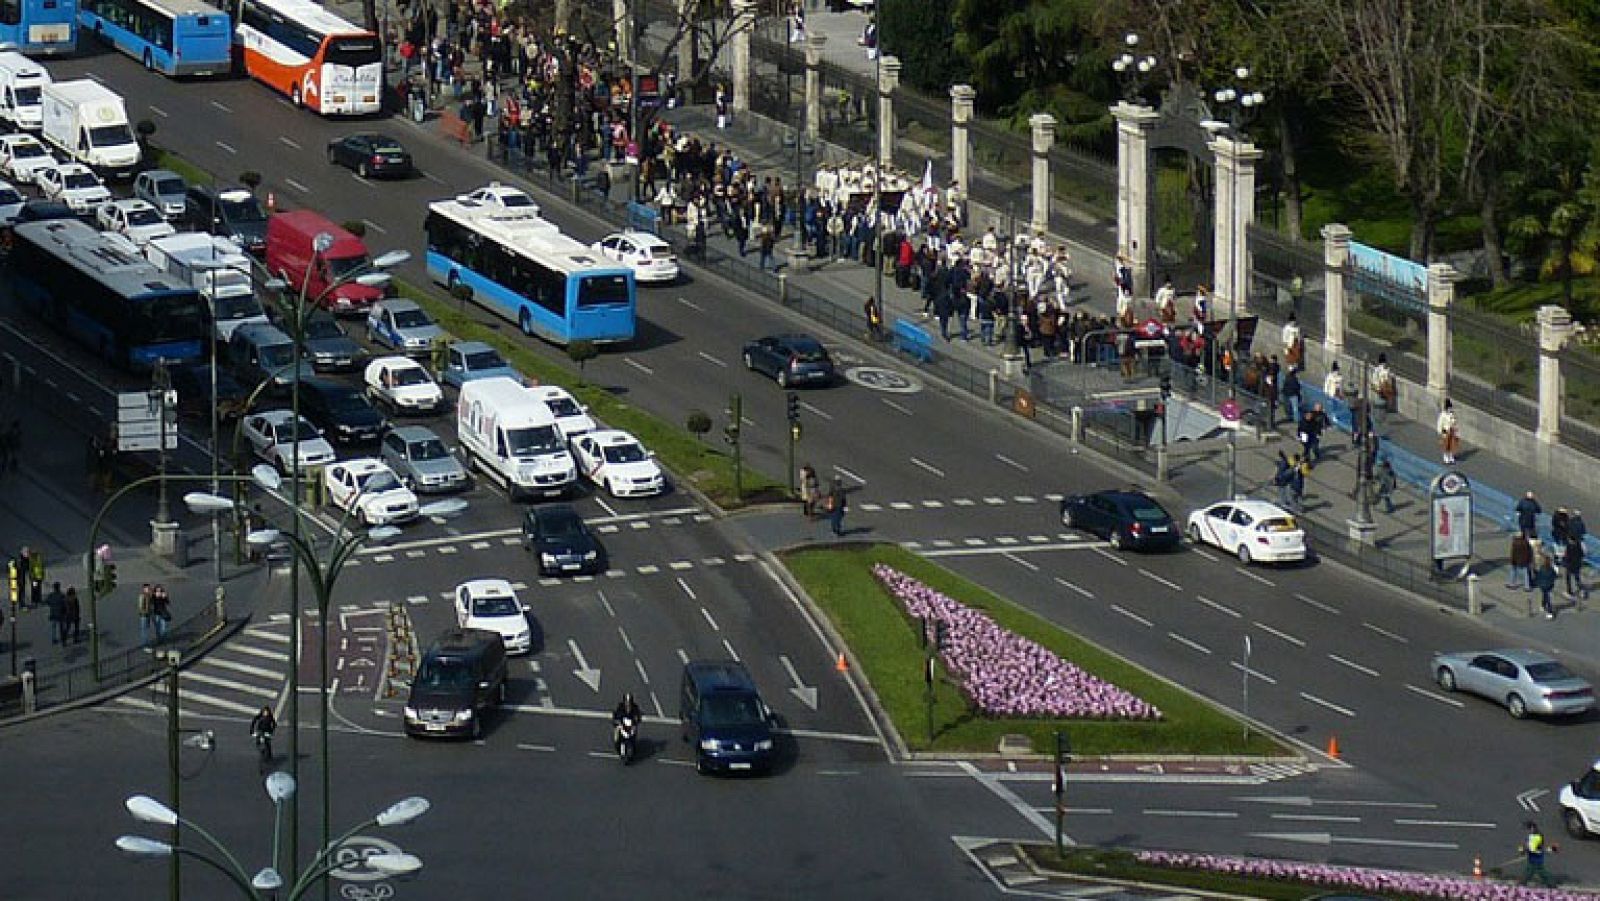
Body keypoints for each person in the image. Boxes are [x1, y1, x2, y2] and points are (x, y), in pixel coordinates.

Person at [1519, 820, 1557, 887]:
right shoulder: (1536, 835)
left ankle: (1551, 884)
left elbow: (1532, 849)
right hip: (1535, 855)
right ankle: (1523, 882)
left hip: (1536, 856)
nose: (1528, 830)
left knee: (1538, 870)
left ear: (1532, 828)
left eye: (1528, 828)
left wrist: (1523, 850)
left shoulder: (1535, 837)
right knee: (1531, 870)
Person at [1535, 552, 1559, 619]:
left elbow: (1538, 576)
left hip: (1542, 585)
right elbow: (1554, 576)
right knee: (1548, 598)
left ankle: (1543, 605)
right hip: (1549, 585)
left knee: (1544, 594)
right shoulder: (1551, 569)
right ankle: (1549, 612)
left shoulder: (1541, 568)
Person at [1437, 398, 1460, 465]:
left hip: (1452, 430)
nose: (1450, 409)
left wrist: (1456, 430)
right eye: (1449, 408)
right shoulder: (1443, 414)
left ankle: (1451, 456)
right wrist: (1441, 432)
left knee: (1452, 444)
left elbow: (1455, 422)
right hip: (1446, 431)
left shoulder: (1452, 414)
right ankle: (1446, 457)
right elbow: (1440, 424)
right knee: (1446, 445)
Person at [1564, 535, 1587, 600]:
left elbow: (1567, 556)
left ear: (1571, 540)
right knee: (1577, 578)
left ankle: (1569, 592)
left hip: (1570, 565)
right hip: (1577, 564)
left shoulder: (1569, 547)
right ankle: (1581, 590)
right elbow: (1582, 554)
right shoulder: (1578, 545)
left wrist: (1565, 561)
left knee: (1568, 578)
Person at [44, 581, 65, 645]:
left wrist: (51, 605)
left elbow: (46, 601)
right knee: (61, 626)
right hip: (60, 613)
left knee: (54, 626)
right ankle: (62, 637)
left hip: (53, 613)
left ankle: (54, 638)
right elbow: (64, 603)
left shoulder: (51, 595)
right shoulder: (62, 595)